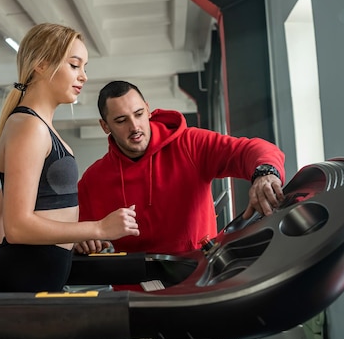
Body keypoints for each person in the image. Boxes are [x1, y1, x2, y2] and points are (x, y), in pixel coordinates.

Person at [0, 24, 139, 305]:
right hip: (16, 284)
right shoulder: (29, 126)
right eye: (74, 65)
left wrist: (71, 238)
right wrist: (98, 229)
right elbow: (17, 226)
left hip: (26, 281)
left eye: (84, 67)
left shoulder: (39, 127)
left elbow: (0, 207)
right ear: (42, 65)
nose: (83, 76)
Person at [76, 80, 285, 257]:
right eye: (121, 120)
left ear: (148, 110)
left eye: (139, 114)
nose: (134, 127)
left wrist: (265, 173)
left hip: (200, 279)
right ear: (105, 126)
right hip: (136, 295)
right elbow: (72, 230)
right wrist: (81, 241)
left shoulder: (189, 144)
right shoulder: (93, 180)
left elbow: (250, 149)